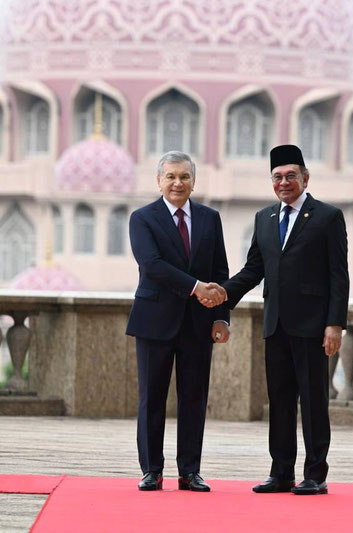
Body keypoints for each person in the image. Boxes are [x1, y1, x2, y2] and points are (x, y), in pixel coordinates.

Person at [222, 144, 349, 495]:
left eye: (291, 176)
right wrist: (222, 295)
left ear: (305, 178)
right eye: (277, 177)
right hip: (275, 324)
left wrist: (334, 324)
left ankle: (316, 475)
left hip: (312, 327)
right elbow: (253, 270)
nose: (284, 182)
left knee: (312, 402)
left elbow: (339, 276)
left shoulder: (327, 217)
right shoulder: (264, 219)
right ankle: (281, 473)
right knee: (279, 402)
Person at [126, 150, 230, 492]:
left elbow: (220, 271)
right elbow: (151, 265)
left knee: (194, 398)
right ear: (158, 181)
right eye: (170, 176)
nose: (177, 183)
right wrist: (196, 287)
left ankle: (190, 471)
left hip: (199, 324)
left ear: (193, 181)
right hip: (155, 321)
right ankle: (152, 470)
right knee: (152, 398)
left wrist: (221, 318)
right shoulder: (142, 219)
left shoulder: (210, 218)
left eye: (184, 176)